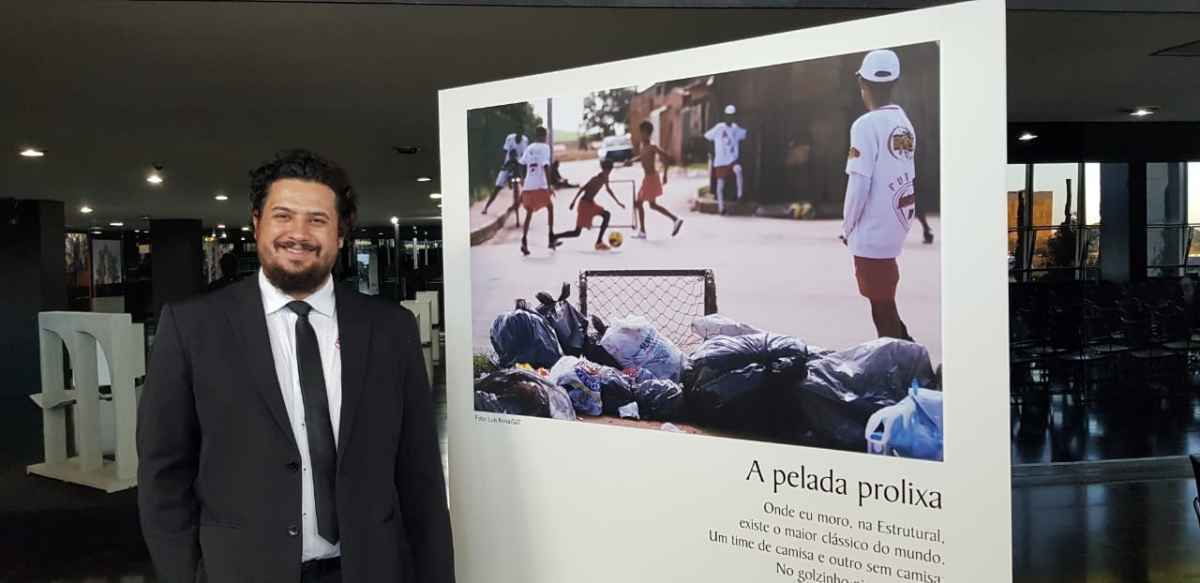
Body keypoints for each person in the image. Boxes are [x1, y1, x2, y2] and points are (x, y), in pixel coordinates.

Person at [137, 149, 454, 583]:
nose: (299, 234)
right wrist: (184, 574)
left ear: (340, 235)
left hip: (371, 568)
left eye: (318, 220)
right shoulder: (192, 327)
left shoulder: (391, 329)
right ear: (256, 223)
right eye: (283, 216)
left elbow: (420, 477)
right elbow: (163, 473)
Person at [841, 49, 917, 341]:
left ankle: (902, 364)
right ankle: (908, 352)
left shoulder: (864, 125)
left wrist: (847, 227)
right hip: (896, 224)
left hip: (871, 230)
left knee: (881, 309)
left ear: (863, 84)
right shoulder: (905, 123)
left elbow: (859, 184)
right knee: (885, 303)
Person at [552, 159, 626, 251]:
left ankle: (599, 242)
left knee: (606, 215)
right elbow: (582, 188)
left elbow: (608, 190)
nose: (609, 172)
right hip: (584, 205)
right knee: (576, 233)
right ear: (604, 169)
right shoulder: (595, 179)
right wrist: (573, 202)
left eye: (610, 171)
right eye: (607, 170)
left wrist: (618, 202)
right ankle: (554, 237)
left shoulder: (605, 178)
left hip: (591, 204)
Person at [633, 120, 682, 239]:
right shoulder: (642, 145)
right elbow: (643, 156)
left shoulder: (652, 146)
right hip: (647, 178)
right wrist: (632, 160)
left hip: (651, 178)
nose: (641, 135)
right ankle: (675, 219)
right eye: (640, 133)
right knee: (652, 205)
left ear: (648, 133)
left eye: (643, 133)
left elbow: (666, 158)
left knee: (639, 203)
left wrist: (665, 175)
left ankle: (643, 231)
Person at [518, 127, 557, 256]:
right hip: (540, 186)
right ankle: (551, 238)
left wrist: (523, 180)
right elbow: (545, 166)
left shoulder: (529, 148)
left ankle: (524, 240)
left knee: (529, 213)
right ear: (544, 136)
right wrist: (549, 186)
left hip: (528, 186)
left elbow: (522, 164)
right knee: (550, 207)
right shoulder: (545, 148)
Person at [704, 104, 748, 215]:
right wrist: (712, 152)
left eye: (732, 116)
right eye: (728, 115)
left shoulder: (735, 128)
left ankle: (740, 196)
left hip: (732, 160)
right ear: (725, 116)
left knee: (738, 170)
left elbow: (745, 134)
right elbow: (707, 136)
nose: (730, 118)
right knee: (720, 186)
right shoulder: (719, 127)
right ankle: (721, 208)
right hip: (720, 161)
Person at [481, 129, 528, 221]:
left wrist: (523, 174)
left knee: (525, 186)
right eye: (518, 133)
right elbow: (505, 152)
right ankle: (486, 207)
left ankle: (519, 204)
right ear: (516, 133)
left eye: (521, 133)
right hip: (508, 164)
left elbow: (524, 156)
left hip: (518, 165)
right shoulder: (510, 138)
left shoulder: (525, 140)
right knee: (497, 187)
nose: (519, 136)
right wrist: (506, 164)